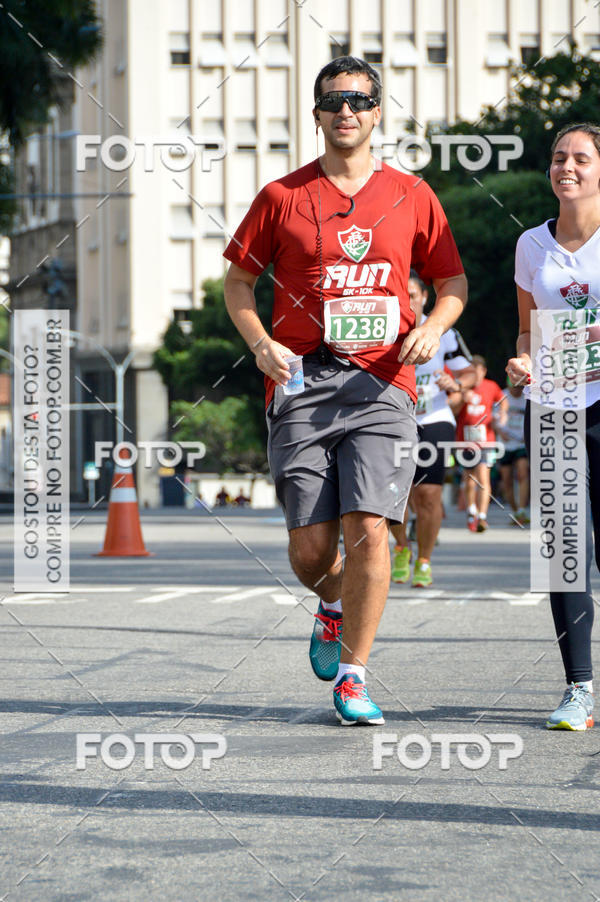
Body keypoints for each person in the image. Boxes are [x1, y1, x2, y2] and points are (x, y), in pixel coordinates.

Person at [223, 55, 467, 725]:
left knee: (370, 528)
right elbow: (238, 282)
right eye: (334, 101)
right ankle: (332, 601)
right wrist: (261, 344)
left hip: (384, 380)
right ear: (317, 115)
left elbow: (451, 282)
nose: (347, 111)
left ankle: (354, 676)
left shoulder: (412, 194)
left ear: (377, 113)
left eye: (359, 100)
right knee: (311, 552)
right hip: (302, 380)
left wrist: (432, 328)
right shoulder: (281, 197)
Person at [507, 122, 600, 731]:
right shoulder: (530, 244)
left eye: (582, 158)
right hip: (554, 402)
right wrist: (521, 361)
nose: (567, 167)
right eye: (559, 157)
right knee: (565, 552)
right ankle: (578, 689)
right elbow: (526, 329)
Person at [390, 271, 475, 586]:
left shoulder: (443, 331)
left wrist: (456, 384)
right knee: (394, 493)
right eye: (402, 295)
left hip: (434, 418)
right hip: (393, 419)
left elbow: (470, 373)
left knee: (428, 493)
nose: (408, 301)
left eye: (413, 295)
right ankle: (402, 546)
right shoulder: (385, 329)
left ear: (425, 297)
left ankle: (424, 560)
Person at [456, 355, 507, 532]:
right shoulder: (462, 387)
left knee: (483, 477)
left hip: (486, 441)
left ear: (483, 371)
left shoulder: (491, 386)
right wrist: (461, 398)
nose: (474, 375)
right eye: (470, 371)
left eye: (476, 371)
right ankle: (471, 511)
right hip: (465, 441)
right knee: (469, 479)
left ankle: (482, 517)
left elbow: (503, 400)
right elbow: (452, 408)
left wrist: (502, 414)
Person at [495, 378, 529, 526]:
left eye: (519, 387)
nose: (516, 390)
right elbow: (492, 419)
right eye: (513, 387)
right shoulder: (501, 396)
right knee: (507, 480)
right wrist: (500, 431)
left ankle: (522, 510)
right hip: (505, 444)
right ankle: (515, 511)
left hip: (521, 443)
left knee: (523, 473)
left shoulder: (527, 397)